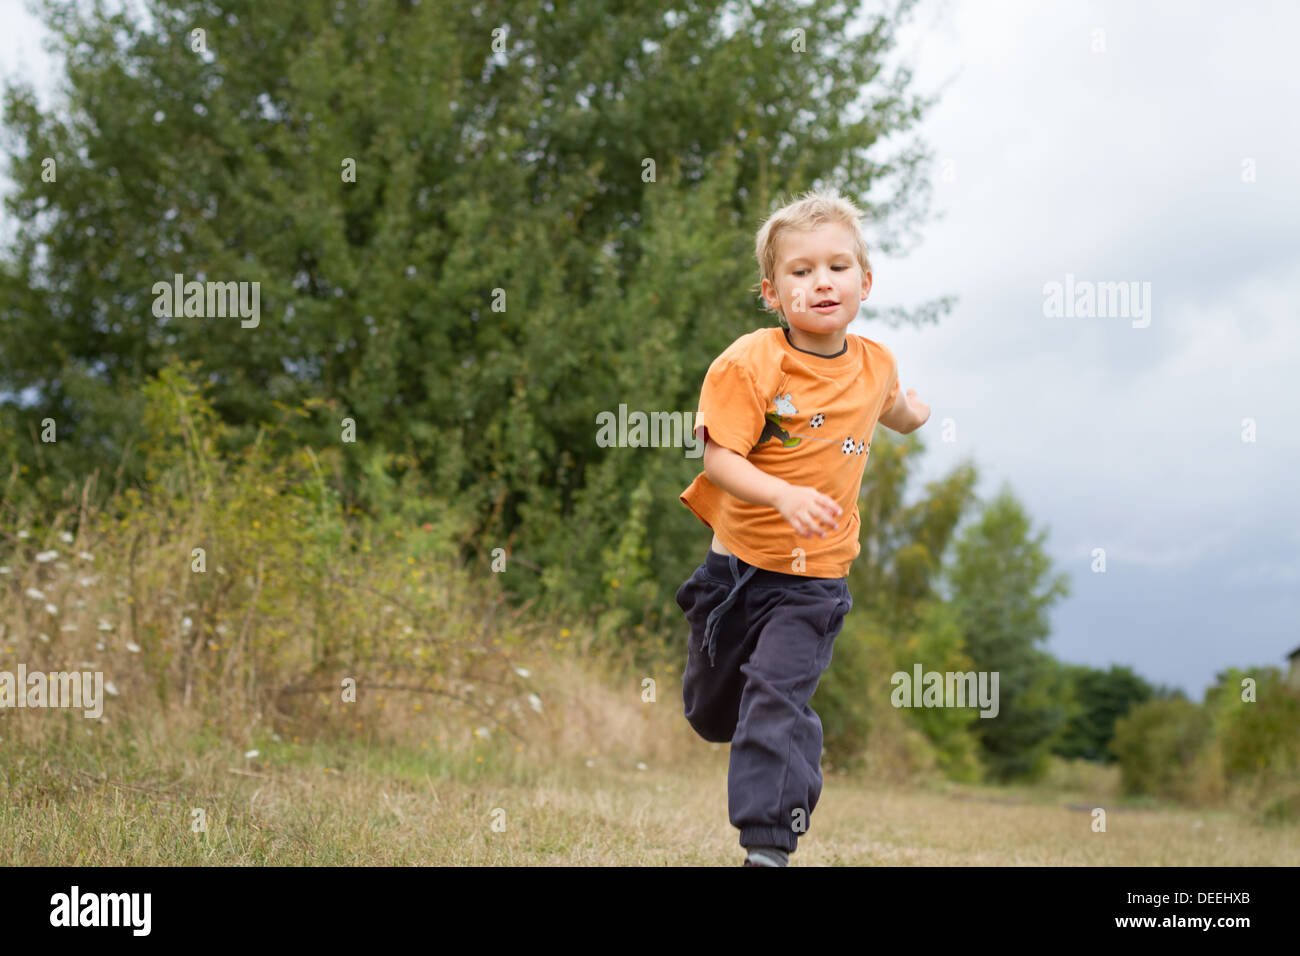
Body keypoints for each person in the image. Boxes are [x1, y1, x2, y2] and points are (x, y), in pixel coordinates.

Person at [677, 188, 930, 867]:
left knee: (778, 696)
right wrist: (783, 496)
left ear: (865, 282)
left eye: (838, 267)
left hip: (813, 582)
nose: (822, 281)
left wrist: (918, 415)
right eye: (801, 270)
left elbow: (896, 407)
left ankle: (768, 846)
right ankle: (742, 722)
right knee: (708, 713)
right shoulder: (751, 363)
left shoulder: (876, 364)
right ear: (772, 291)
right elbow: (719, 457)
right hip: (734, 573)